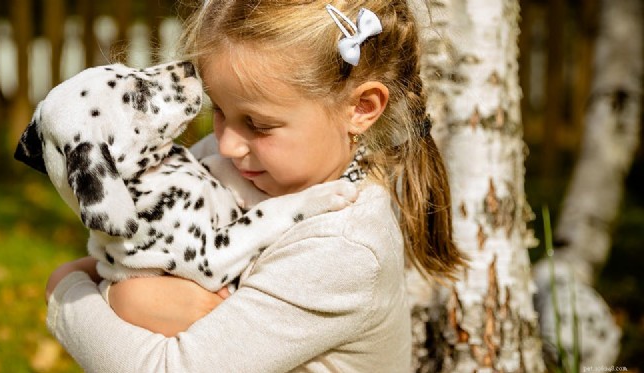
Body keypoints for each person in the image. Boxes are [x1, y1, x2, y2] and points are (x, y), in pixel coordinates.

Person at [44, 0, 468, 371]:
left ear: (360, 108)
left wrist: (66, 291)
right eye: (220, 111)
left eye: (259, 125)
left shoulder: (343, 248)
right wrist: (130, 293)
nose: (225, 143)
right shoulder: (243, 161)